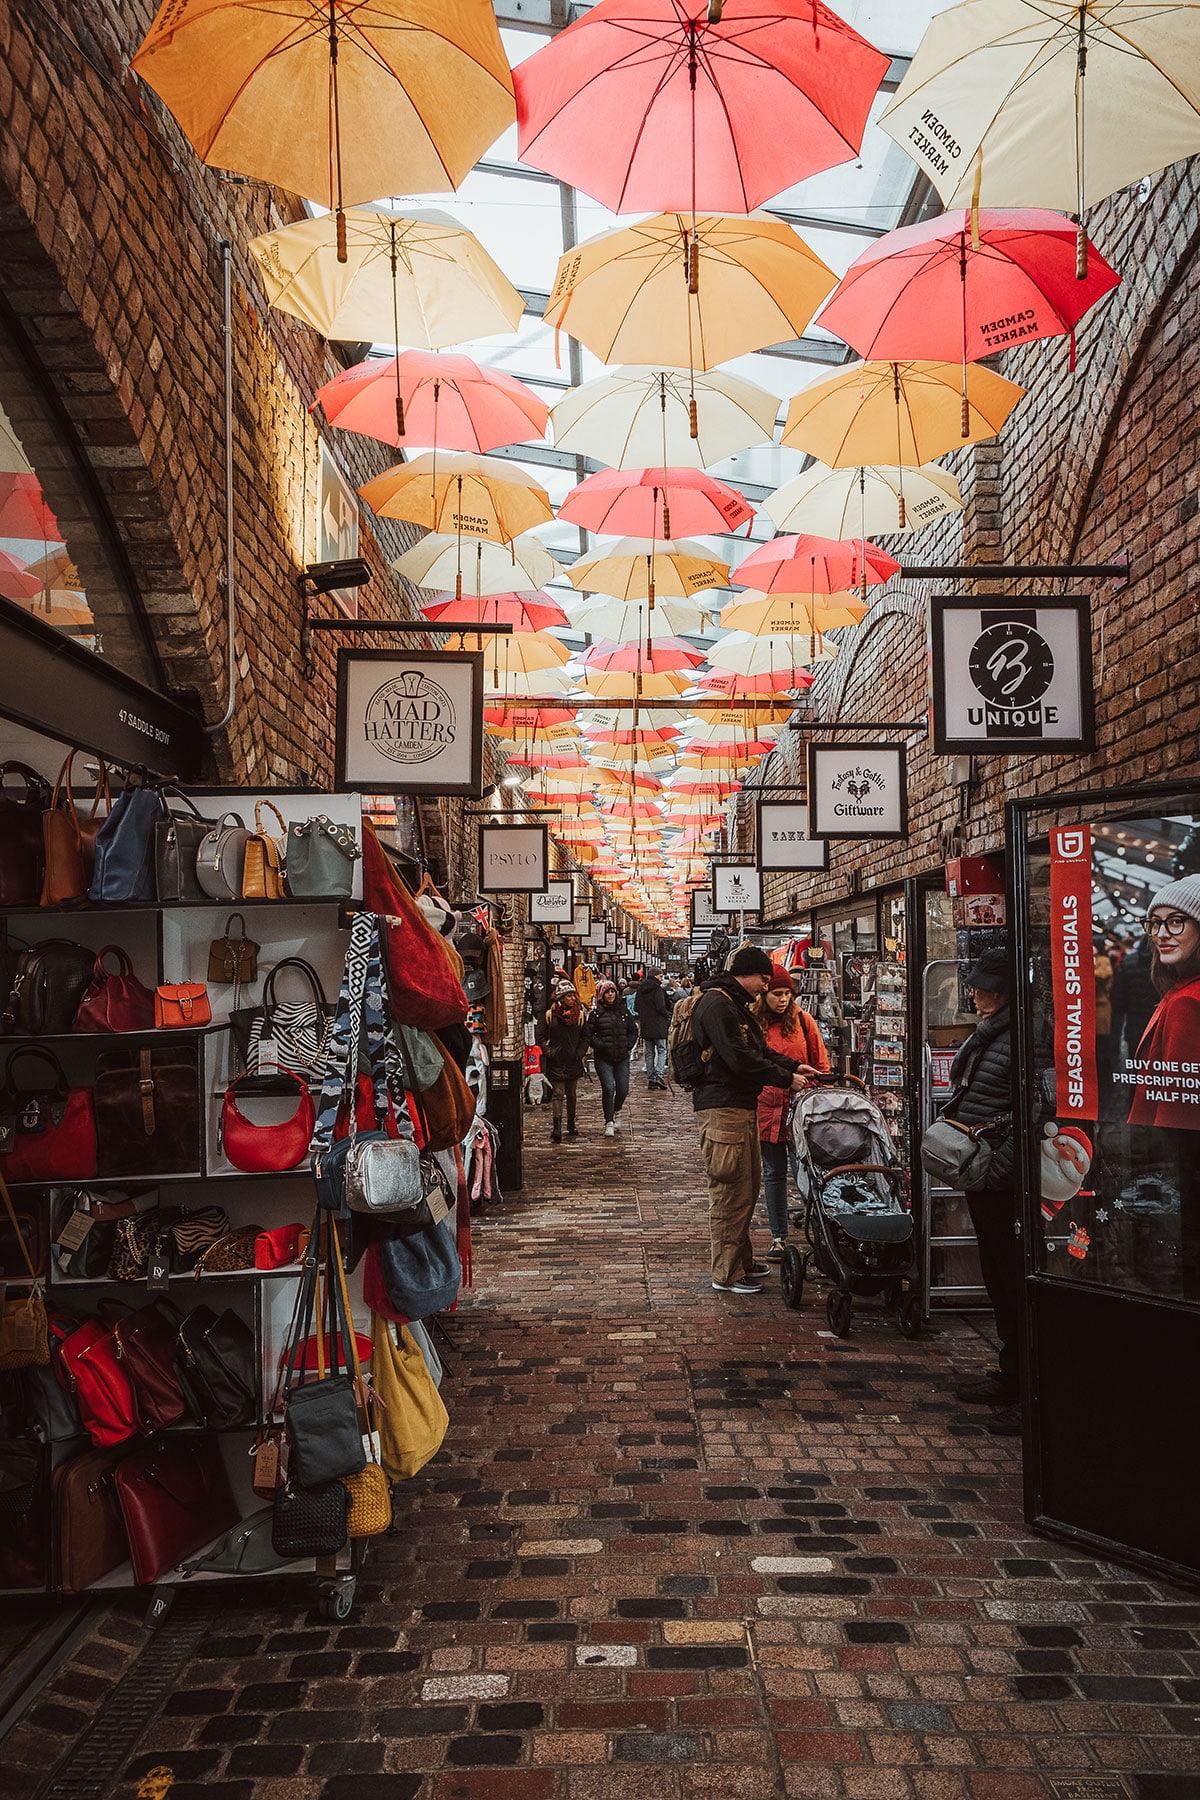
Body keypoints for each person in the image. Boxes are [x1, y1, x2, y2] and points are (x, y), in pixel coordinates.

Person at [692, 946, 816, 1295]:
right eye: (764, 980)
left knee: (746, 1188)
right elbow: (740, 1059)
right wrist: (784, 1078)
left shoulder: (733, 1005)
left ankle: (741, 1261)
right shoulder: (718, 1005)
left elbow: (758, 1049)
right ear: (746, 974)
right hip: (723, 1108)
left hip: (739, 1106)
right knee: (730, 1191)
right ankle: (727, 1274)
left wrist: (792, 1066)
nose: (765, 987)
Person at [945, 947, 1020, 1436]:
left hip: (1000, 1174)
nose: (972, 991)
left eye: (981, 984)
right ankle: (1013, 1372)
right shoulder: (991, 1031)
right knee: (996, 1270)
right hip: (984, 1168)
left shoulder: (1019, 1036)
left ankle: (1029, 1385)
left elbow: (1031, 1109)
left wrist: (997, 1169)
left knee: (1012, 1274)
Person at [753, 966, 830, 1263]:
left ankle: (820, 1235)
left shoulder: (802, 1020)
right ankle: (779, 1237)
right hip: (766, 1107)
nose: (783, 999)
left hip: (801, 1108)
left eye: (787, 993)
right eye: (777, 994)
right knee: (773, 1174)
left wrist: (820, 1093)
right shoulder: (754, 1023)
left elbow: (820, 1062)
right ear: (765, 994)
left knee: (807, 1175)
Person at [1126, 878, 1200, 1128]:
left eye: (1176, 921)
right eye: (1155, 923)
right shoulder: (1185, 990)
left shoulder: (1187, 1002)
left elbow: (1177, 1111)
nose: (1161, 934)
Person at [536, 979, 590, 1144]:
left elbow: (586, 1037)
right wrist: (548, 1051)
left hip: (573, 1060)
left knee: (572, 1094)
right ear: (560, 998)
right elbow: (541, 1035)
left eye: (573, 995)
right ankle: (557, 1127)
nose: (573, 998)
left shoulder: (579, 1016)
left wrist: (579, 1052)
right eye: (569, 995)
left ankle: (571, 1124)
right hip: (557, 1060)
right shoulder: (550, 1015)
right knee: (558, 1094)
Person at [590, 978, 640, 1135]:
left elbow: (633, 1030)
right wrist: (600, 1045)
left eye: (612, 991)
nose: (610, 994)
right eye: (607, 992)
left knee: (623, 1088)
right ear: (602, 995)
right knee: (608, 1088)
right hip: (603, 1057)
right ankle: (609, 1121)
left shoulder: (623, 1011)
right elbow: (589, 1034)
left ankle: (617, 1109)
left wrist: (628, 1045)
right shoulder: (596, 1014)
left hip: (621, 1056)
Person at [635, 970, 673, 1089]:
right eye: (661, 976)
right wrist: (667, 1015)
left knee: (649, 1053)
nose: (662, 978)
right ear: (655, 976)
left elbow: (636, 1007)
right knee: (662, 1050)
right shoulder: (657, 989)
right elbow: (661, 1006)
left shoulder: (640, 989)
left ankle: (651, 1079)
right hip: (658, 1024)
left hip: (646, 1024)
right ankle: (659, 1075)